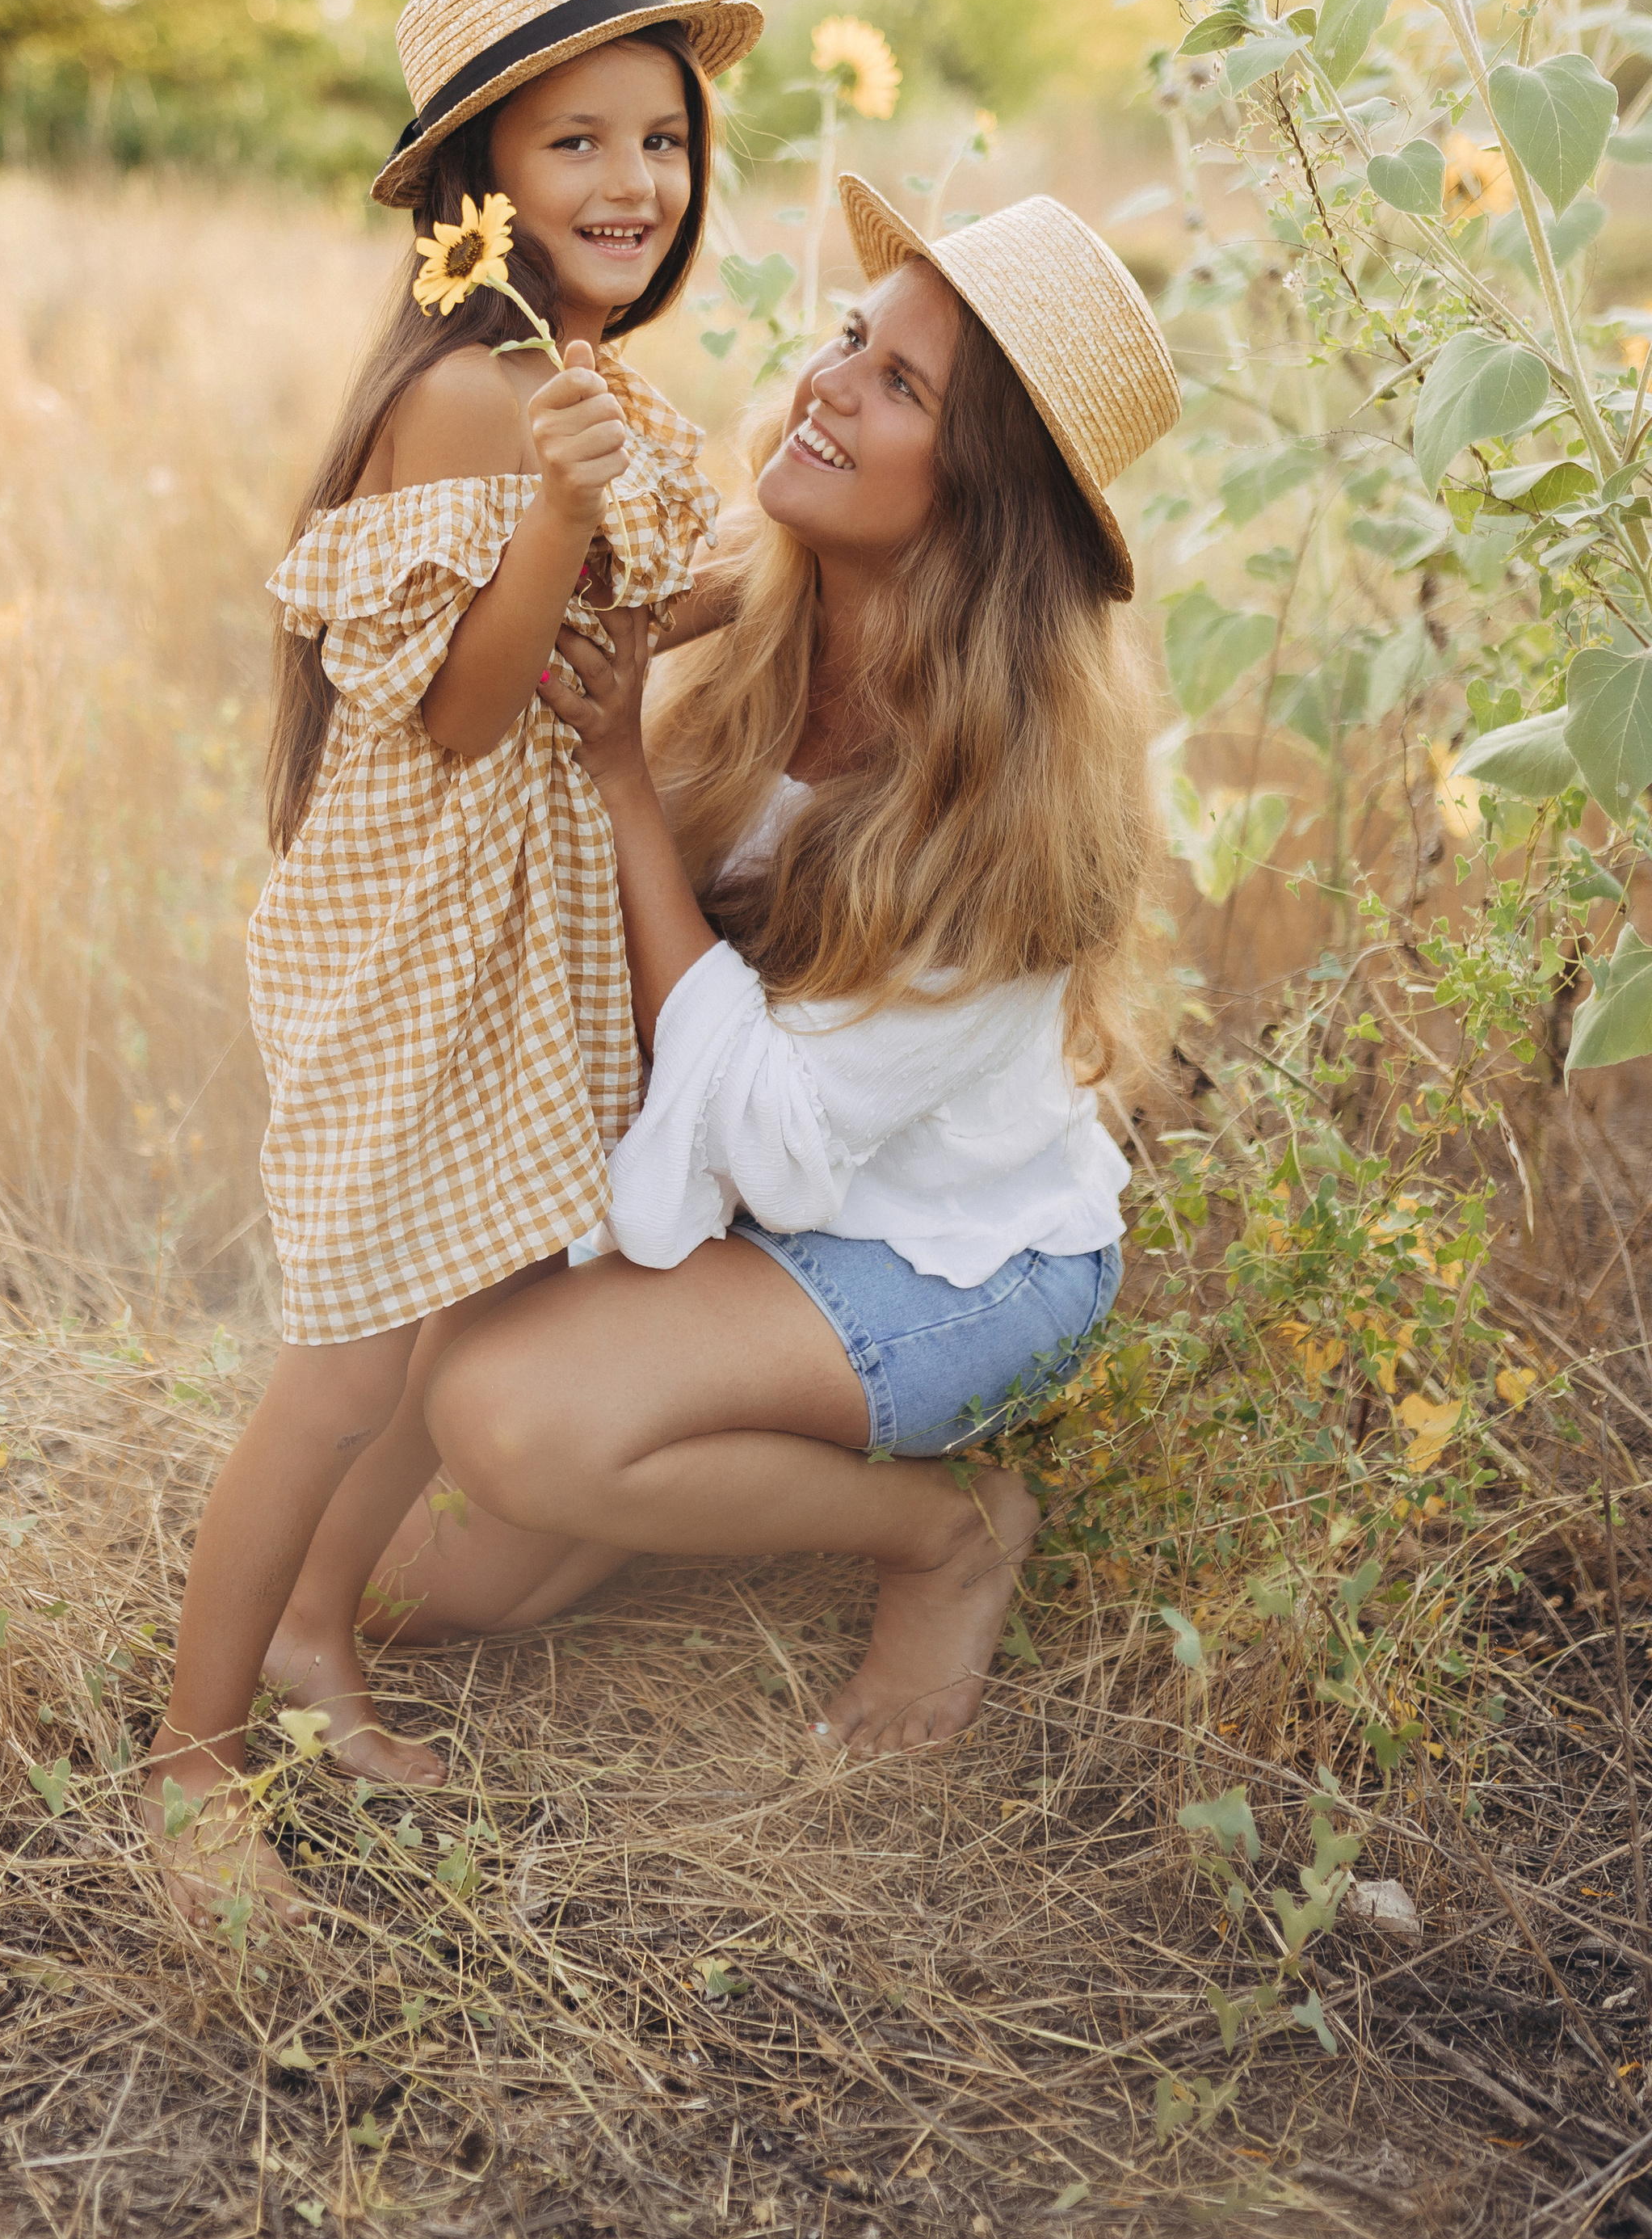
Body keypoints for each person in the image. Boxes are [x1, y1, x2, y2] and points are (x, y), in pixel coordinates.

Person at [292, 172, 1181, 1761]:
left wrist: (625, 781)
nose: (826, 384)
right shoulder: (758, 600)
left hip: (935, 1252)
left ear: (982, 500)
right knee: (415, 1589)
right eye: (849, 337)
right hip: (752, 1189)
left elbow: (778, 1130)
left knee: (510, 1419)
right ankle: (668, 1439)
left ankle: (947, 1532)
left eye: (897, 386)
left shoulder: (1016, 801)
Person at [145, 0, 762, 1924]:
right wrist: (570, 512)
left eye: (658, 139)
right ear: (477, 178)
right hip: (416, 940)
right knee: (344, 1365)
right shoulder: (477, 396)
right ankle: (187, 1770)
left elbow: (596, 627)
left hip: (512, 931)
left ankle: (315, 1638)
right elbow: (464, 706)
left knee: (456, 1318)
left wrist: (751, 577)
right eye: (574, 142)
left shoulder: (568, 378)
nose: (630, 181)